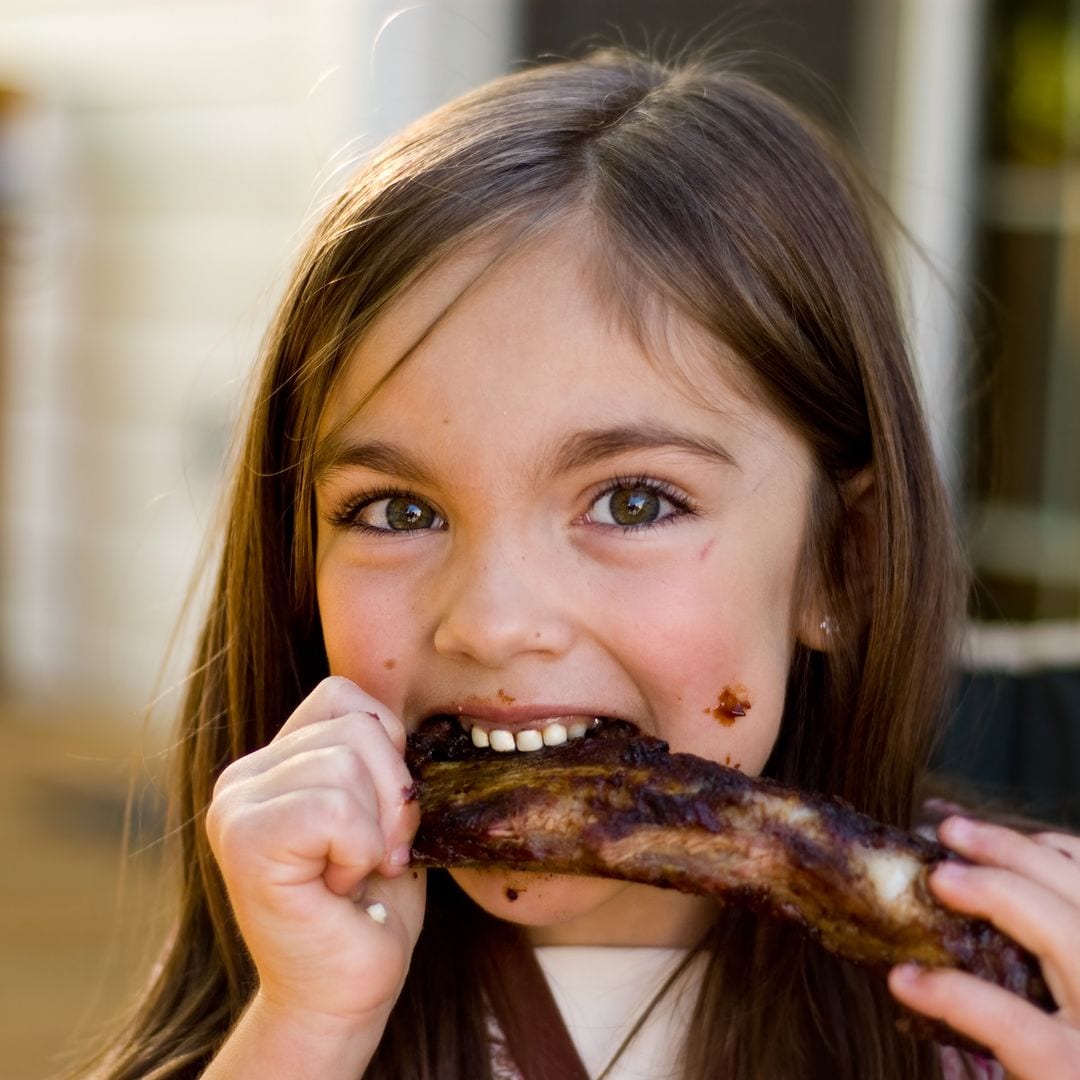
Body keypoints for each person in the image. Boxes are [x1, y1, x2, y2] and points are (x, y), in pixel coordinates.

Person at [86, 49, 1079, 1080]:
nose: (492, 622)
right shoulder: (286, 1013)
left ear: (842, 563)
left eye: (632, 502)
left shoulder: (1015, 1022)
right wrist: (307, 1027)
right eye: (398, 510)